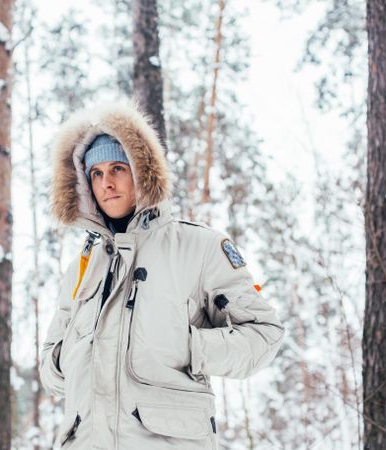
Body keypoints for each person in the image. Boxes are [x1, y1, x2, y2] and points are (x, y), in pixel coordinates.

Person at [40, 100, 284, 449]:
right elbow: (52, 366)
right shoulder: (83, 265)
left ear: (141, 169)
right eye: (96, 173)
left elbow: (264, 336)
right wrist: (71, 358)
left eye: (118, 168)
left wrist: (189, 346)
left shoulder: (198, 247)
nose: (107, 182)